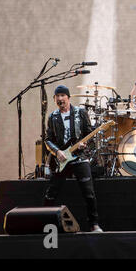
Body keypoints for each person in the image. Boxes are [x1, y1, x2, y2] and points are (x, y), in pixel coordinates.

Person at [44, 85, 103, 233]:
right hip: (61, 160)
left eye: (63, 95)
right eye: (57, 96)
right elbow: (48, 140)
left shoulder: (80, 113)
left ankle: (94, 224)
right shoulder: (52, 117)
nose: (60, 98)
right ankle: (46, 223)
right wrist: (57, 152)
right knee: (51, 193)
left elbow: (89, 133)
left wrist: (85, 143)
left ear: (68, 98)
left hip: (79, 157)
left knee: (89, 193)